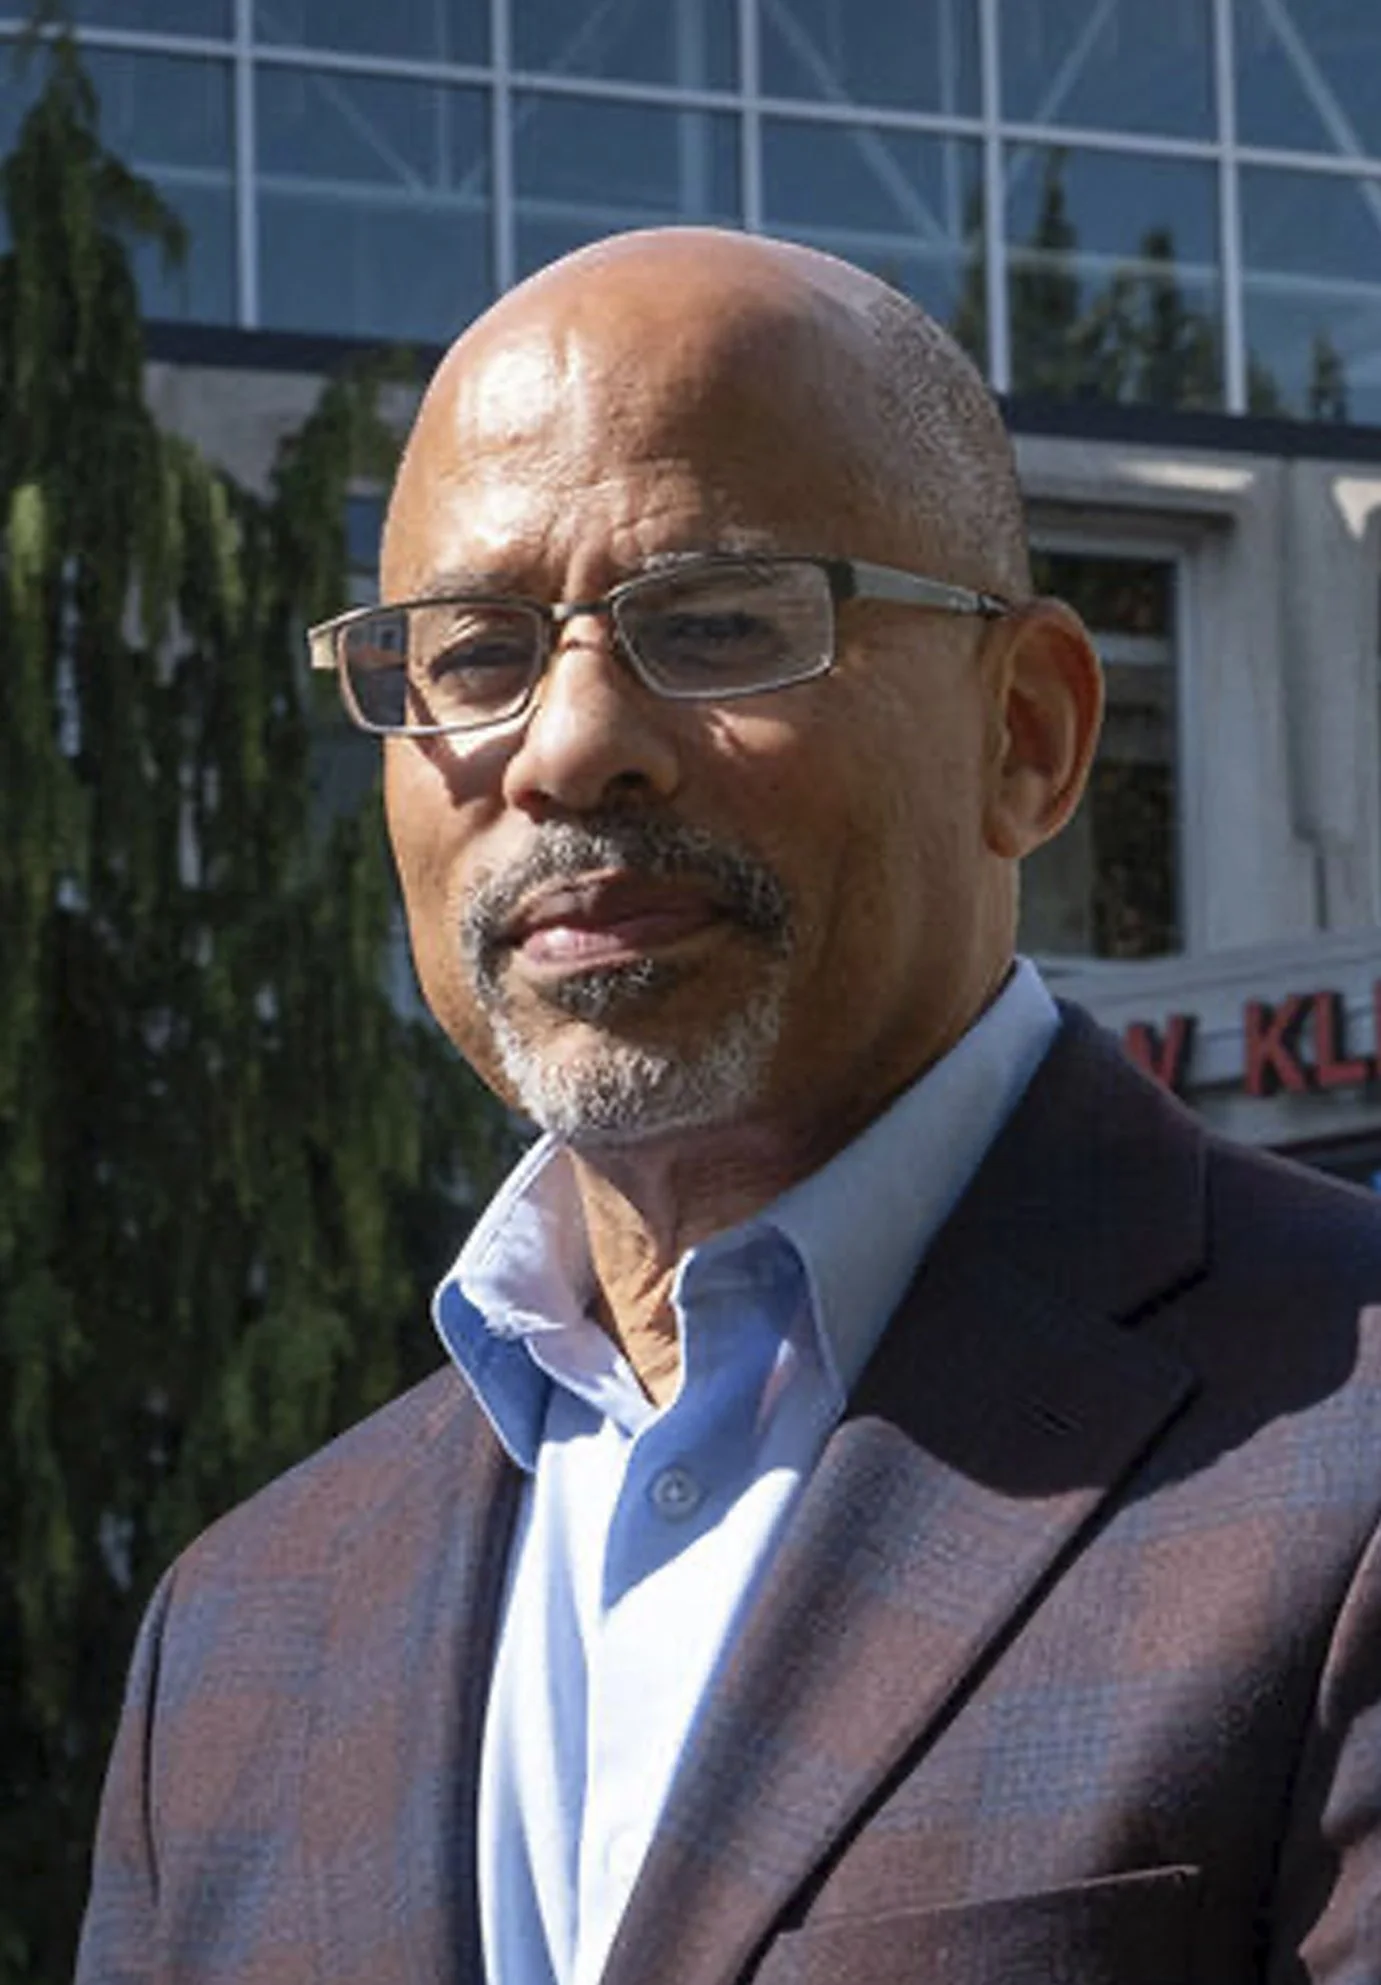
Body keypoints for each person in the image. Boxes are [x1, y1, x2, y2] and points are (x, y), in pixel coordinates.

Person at [77, 229, 1381, 1985]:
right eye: (475, 656)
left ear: (1029, 735)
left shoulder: (1342, 1450)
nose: (568, 748)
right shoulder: (238, 1643)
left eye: (713, 624)